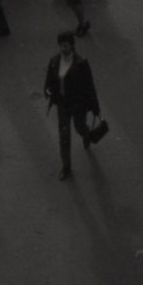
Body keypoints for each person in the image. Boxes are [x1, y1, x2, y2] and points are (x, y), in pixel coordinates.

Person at [44, 31, 100, 180]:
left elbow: (89, 86)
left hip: (77, 105)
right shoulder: (54, 61)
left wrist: (95, 107)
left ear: (72, 45)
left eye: (66, 45)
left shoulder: (81, 63)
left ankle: (86, 134)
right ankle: (66, 167)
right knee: (64, 136)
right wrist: (48, 92)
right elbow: (49, 81)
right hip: (62, 104)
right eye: (61, 45)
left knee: (79, 126)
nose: (63, 48)